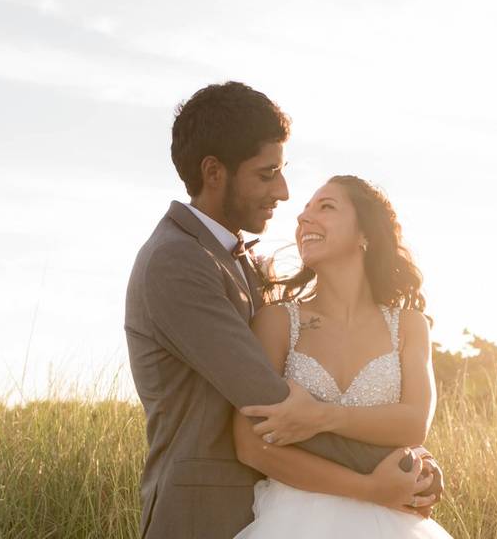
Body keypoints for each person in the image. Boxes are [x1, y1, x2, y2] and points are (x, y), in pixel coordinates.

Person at [124, 82, 443, 539]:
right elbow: (272, 406)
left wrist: (411, 461)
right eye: (266, 173)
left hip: (272, 508)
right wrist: (405, 470)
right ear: (214, 172)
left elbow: (314, 414)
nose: (284, 192)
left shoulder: (243, 262)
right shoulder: (176, 261)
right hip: (203, 516)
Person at [231, 175, 452, 538]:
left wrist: (321, 416)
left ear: (365, 233)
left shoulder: (409, 326)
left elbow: (413, 423)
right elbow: (250, 446)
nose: (304, 219)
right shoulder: (277, 321)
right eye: (303, 212)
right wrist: (369, 489)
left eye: (326, 206)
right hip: (293, 521)